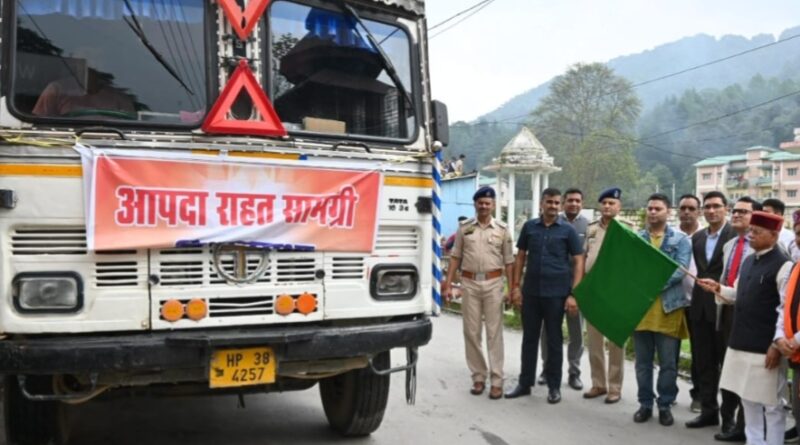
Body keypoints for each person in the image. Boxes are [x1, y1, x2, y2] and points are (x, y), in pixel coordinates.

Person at [699, 211, 793, 445]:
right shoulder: (749, 260)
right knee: (747, 400)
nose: (750, 236)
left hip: (765, 348)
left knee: (771, 405)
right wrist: (718, 288)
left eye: (757, 232)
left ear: (774, 235)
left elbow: (785, 309)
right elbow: (738, 295)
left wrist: (776, 345)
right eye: (750, 230)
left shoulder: (784, 266)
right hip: (739, 342)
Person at [505, 188, 585, 404]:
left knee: (555, 340)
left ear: (559, 205)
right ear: (541, 203)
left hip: (557, 294)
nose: (552, 206)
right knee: (529, 339)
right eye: (549, 202)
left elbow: (578, 261)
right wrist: (515, 287)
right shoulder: (530, 227)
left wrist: (574, 294)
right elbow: (520, 257)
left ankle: (554, 386)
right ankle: (525, 383)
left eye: (556, 203)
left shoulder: (567, 230)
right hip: (531, 292)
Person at [442, 187, 514, 400]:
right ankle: (479, 377)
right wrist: (447, 284)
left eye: (487, 203)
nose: (484, 206)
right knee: (471, 332)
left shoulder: (502, 229)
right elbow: (455, 257)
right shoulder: (465, 229)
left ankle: (497, 380)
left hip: (493, 283)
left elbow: (509, 262)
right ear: (475, 204)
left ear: (493, 205)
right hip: (469, 284)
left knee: (494, 333)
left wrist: (512, 289)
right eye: (480, 202)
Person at [632, 193, 691, 426]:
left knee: (668, 364)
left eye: (658, 208)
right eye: (650, 208)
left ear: (668, 212)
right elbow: (632, 268)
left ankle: (665, 404)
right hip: (641, 311)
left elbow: (680, 268)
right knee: (642, 363)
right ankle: (645, 403)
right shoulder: (637, 239)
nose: (653, 212)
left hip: (669, 309)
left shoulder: (681, 240)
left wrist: (653, 283)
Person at [712, 196, 762, 441]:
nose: (737, 214)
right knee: (728, 369)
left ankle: (745, 426)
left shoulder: (764, 246)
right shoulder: (730, 245)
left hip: (751, 319)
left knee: (747, 375)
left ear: (757, 216)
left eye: (744, 211)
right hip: (727, 312)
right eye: (735, 210)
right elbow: (727, 280)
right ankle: (727, 420)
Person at [686, 191, 736, 429]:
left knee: (727, 363)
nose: (711, 211)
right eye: (707, 207)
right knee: (703, 362)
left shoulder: (735, 236)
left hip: (725, 307)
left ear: (726, 208)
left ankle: (728, 417)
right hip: (700, 307)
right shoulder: (697, 238)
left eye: (717, 206)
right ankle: (708, 411)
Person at [582, 187, 629, 404]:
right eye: (605, 203)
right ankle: (598, 383)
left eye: (612, 203)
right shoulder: (591, 230)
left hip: (617, 293)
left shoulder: (627, 230)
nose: (608, 206)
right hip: (594, 292)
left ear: (619, 207)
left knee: (616, 342)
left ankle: (615, 387)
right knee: (594, 341)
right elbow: (583, 258)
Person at [538, 187, 588, 391]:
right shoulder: (551, 222)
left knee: (576, 333)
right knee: (548, 332)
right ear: (563, 203)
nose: (573, 204)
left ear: (582, 204)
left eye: (578, 201)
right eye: (570, 201)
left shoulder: (589, 226)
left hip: (578, 287)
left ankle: (574, 372)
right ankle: (546, 369)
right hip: (553, 286)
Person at [676, 194, 702, 413]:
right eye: (683, 208)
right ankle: (668, 393)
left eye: (691, 208)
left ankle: (699, 395)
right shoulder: (671, 235)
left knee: (699, 351)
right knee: (669, 351)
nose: (686, 212)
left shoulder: (706, 236)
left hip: (697, 302)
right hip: (673, 301)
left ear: (698, 212)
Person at [32, 67, 136, 119]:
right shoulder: (56, 89)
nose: (91, 66)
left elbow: (131, 128)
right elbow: (39, 125)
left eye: (97, 60)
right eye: (86, 60)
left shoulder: (119, 97)